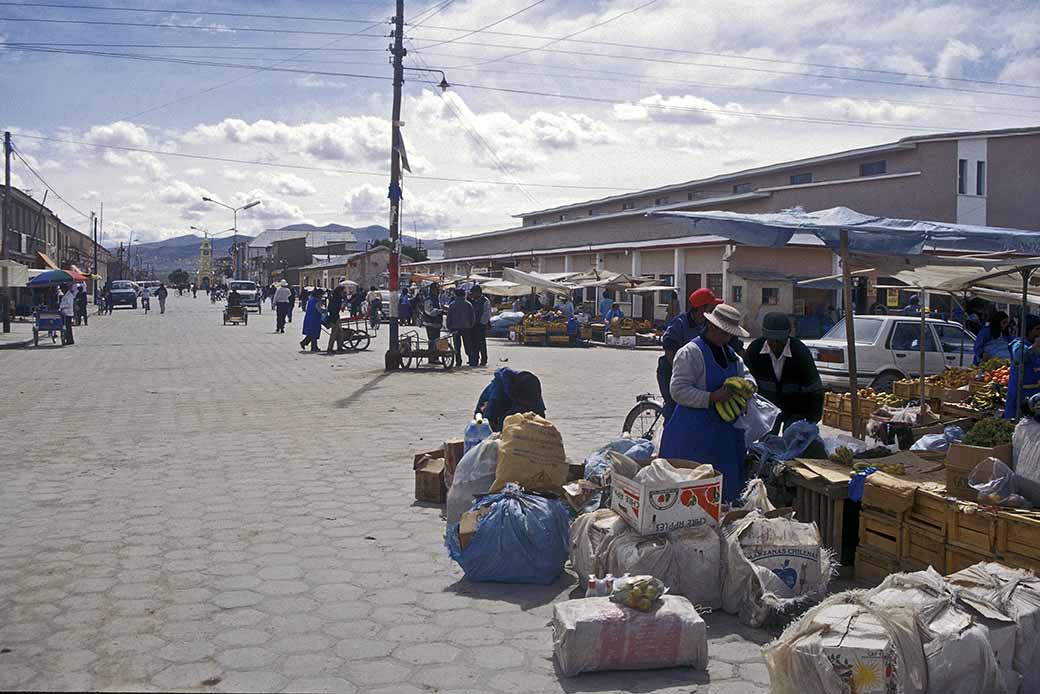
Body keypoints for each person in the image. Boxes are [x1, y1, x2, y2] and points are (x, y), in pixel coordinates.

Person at [660, 303, 755, 504]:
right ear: (712, 327)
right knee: (690, 492)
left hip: (724, 434)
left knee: (722, 494)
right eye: (724, 333)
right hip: (692, 432)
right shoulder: (690, 352)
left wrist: (748, 385)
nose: (727, 338)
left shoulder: (730, 354)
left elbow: (745, 374)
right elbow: (678, 390)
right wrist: (711, 397)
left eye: (730, 335)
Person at [745, 313, 824, 433]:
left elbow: (815, 389)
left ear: (787, 336)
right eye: (772, 340)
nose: (776, 345)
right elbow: (746, 380)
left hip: (796, 409)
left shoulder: (800, 352)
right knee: (767, 444)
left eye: (780, 340)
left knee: (792, 440)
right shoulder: (754, 350)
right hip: (767, 408)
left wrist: (813, 418)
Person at [657, 288, 728, 420]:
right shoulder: (680, 323)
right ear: (701, 308)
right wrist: (680, 371)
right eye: (710, 307)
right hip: (670, 369)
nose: (713, 311)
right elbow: (669, 349)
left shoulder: (708, 324)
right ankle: (669, 434)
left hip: (695, 370)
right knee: (675, 407)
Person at [475, 368, 546, 431]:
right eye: (526, 402)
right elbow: (488, 421)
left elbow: (540, 416)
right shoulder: (498, 395)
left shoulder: (533, 390)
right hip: (487, 410)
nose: (528, 404)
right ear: (518, 396)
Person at [1005, 316, 1040, 419]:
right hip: (1021, 394)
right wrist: (1035, 346)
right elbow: (1020, 357)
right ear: (1028, 330)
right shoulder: (1019, 344)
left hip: (1035, 393)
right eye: (1037, 329)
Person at [446, 287, 475, 367]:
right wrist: (471, 325)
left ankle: (458, 361)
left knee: (457, 346)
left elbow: (449, 317)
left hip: (455, 328)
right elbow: (472, 317)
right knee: (468, 345)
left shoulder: (452, 305)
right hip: (466, 328)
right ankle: (471, 360)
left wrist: (449, 326)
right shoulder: (468, 304)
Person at [469, 285, 491, 367]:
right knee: (473, 343)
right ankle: (475, 359)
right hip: (473, 325)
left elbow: (487, 314)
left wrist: (481, 323)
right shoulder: (472, 300)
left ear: (478, 292)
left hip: (480, 325)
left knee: (481, 343)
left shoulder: (485, 301)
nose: (473, 294)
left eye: (473, 293)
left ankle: (484, 359)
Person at [422, 283, 444, 364]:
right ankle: (432, 358)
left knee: (436, 341)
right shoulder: (428, 299)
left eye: (438, 290)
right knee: (432, 341)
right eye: (436, 290)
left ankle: (435, 357)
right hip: (430, 324)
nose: (437, 292)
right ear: (432, 290)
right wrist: (439, 311)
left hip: (437, 324)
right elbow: (429, 311)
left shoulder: (436, 299)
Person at [300, 287, 323, 352]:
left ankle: (304, 343)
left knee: (311, 333)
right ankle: (314, 347)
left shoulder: (311, 299)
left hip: (309, 317)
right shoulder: (316, 301)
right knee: (314, 333)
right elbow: (319, 310)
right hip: (314, 318)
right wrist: (325, 311)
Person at [326, 284, 346, 354]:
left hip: (335, 316)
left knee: (340, 333)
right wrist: (335, 318)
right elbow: (333, 309)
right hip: (334, 317)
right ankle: (329, 348)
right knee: (334, 333)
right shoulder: (336, 299)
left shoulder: (336, 298)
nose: (344, 292)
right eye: (343, 291)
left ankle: (339, 347)